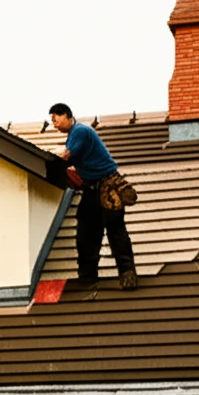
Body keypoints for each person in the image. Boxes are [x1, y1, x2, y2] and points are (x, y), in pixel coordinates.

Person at [49, 103, 137, 290]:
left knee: (115, 232)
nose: (54, 123)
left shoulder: (80, 131)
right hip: (91, 189)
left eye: (55, 118)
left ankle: (127, 276)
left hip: (108, 185)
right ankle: (88, 278)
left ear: (66, 115)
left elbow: (66, 157)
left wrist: (52, 160)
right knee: (86, 233)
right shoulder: (75, 135)